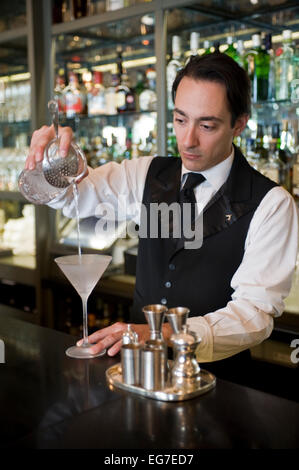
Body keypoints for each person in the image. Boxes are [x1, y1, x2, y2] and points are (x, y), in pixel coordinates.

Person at [26, 53, 298, 378]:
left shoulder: (271, 204)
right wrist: (55, 162)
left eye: (207, 125)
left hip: (219, 385)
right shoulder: (146, 173)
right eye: (180, 119)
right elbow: (73, 200)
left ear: (239, 124)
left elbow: (253, 315)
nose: (187, 140)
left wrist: (161, 333)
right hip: (137, 374)